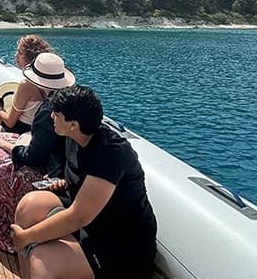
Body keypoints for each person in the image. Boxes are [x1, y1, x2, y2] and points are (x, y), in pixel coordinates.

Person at [10, 86, 157, 279]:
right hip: (93, 223)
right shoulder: (75, 137)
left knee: (42, 260)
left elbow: (78, 218)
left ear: (72, 124)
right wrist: (65, 182)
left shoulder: (111, 154)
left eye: (56, 114)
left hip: (121, 245)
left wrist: (26, 237)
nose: (51, 116)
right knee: (28, 206)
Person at [0, 53, 75, 253]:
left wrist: (5, 145)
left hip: (42, 169)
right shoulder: (65, 103)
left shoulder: (49, 111)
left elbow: (32, 156)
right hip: (47, 158)